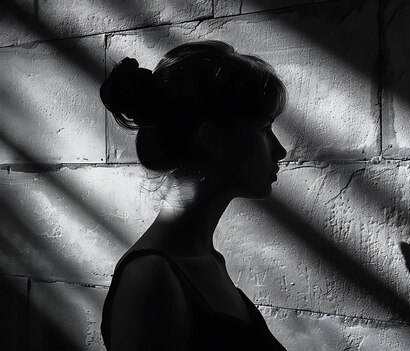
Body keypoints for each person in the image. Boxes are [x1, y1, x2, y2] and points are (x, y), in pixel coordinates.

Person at [99, 41, 288, 350]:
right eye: (265, 129)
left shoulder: (206, 261)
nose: (279, 150)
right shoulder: (151, 280)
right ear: (213, 139)